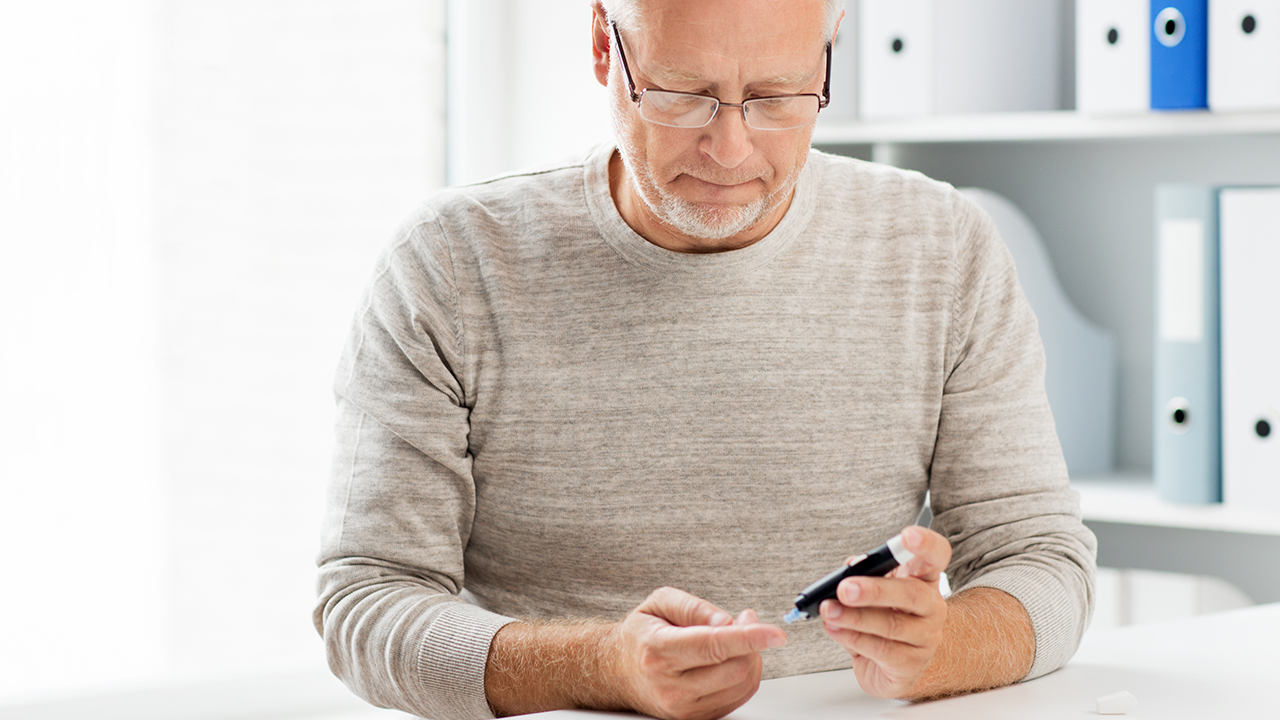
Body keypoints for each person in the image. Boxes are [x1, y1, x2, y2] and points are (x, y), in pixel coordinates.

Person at [314, 1, 1097, 719]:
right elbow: (368, 600)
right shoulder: (451, 264)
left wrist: (942, 648)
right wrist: (599, 667)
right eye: (682, 92)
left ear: (830, 60)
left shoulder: (944, 247)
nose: (730, 148)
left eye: (779, 95)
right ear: (602, 46)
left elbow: (1044, 563)